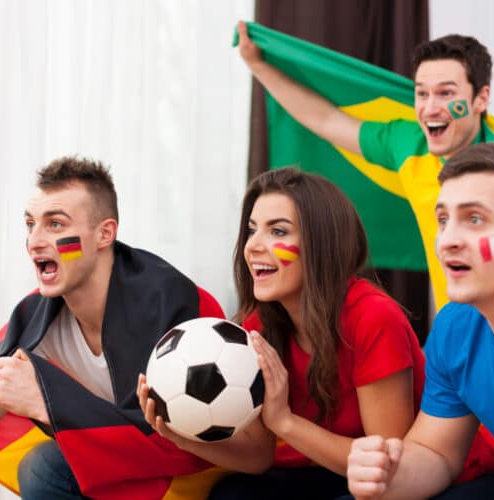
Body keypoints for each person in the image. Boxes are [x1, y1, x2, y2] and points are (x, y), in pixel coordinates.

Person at [0, 157, 270, 499]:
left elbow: (255, 454)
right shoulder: (37, 319)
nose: (34, 241)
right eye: (30, 224)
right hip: (128, 475)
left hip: (196, 479)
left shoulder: (175, 304)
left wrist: (51, 402)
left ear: (105, 234)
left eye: (55, 225)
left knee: (46, 466)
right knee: (45, 465)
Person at [141, 167, 425, 499]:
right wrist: (181, 437)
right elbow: (259, 457)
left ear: (322, 244)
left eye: (278, 231)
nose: (253, 246)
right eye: (252, 230)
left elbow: (388, 467)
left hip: (381, 480)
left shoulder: (373, 317)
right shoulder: (257, 326)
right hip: (309, 472)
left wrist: (285, 422)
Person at [346, 143, 494, 499]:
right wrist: (387, 473)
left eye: (474, 219)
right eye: (443, 220)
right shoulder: (455, 328)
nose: (447, 241)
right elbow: (437, 453)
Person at [236, 21, 494, 310]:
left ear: (481, 99)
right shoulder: (407, 142)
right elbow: (325, 120)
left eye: (446, 93)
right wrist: (258, 65)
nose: (429, 108)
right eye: (422, 93)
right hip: (452, 320)